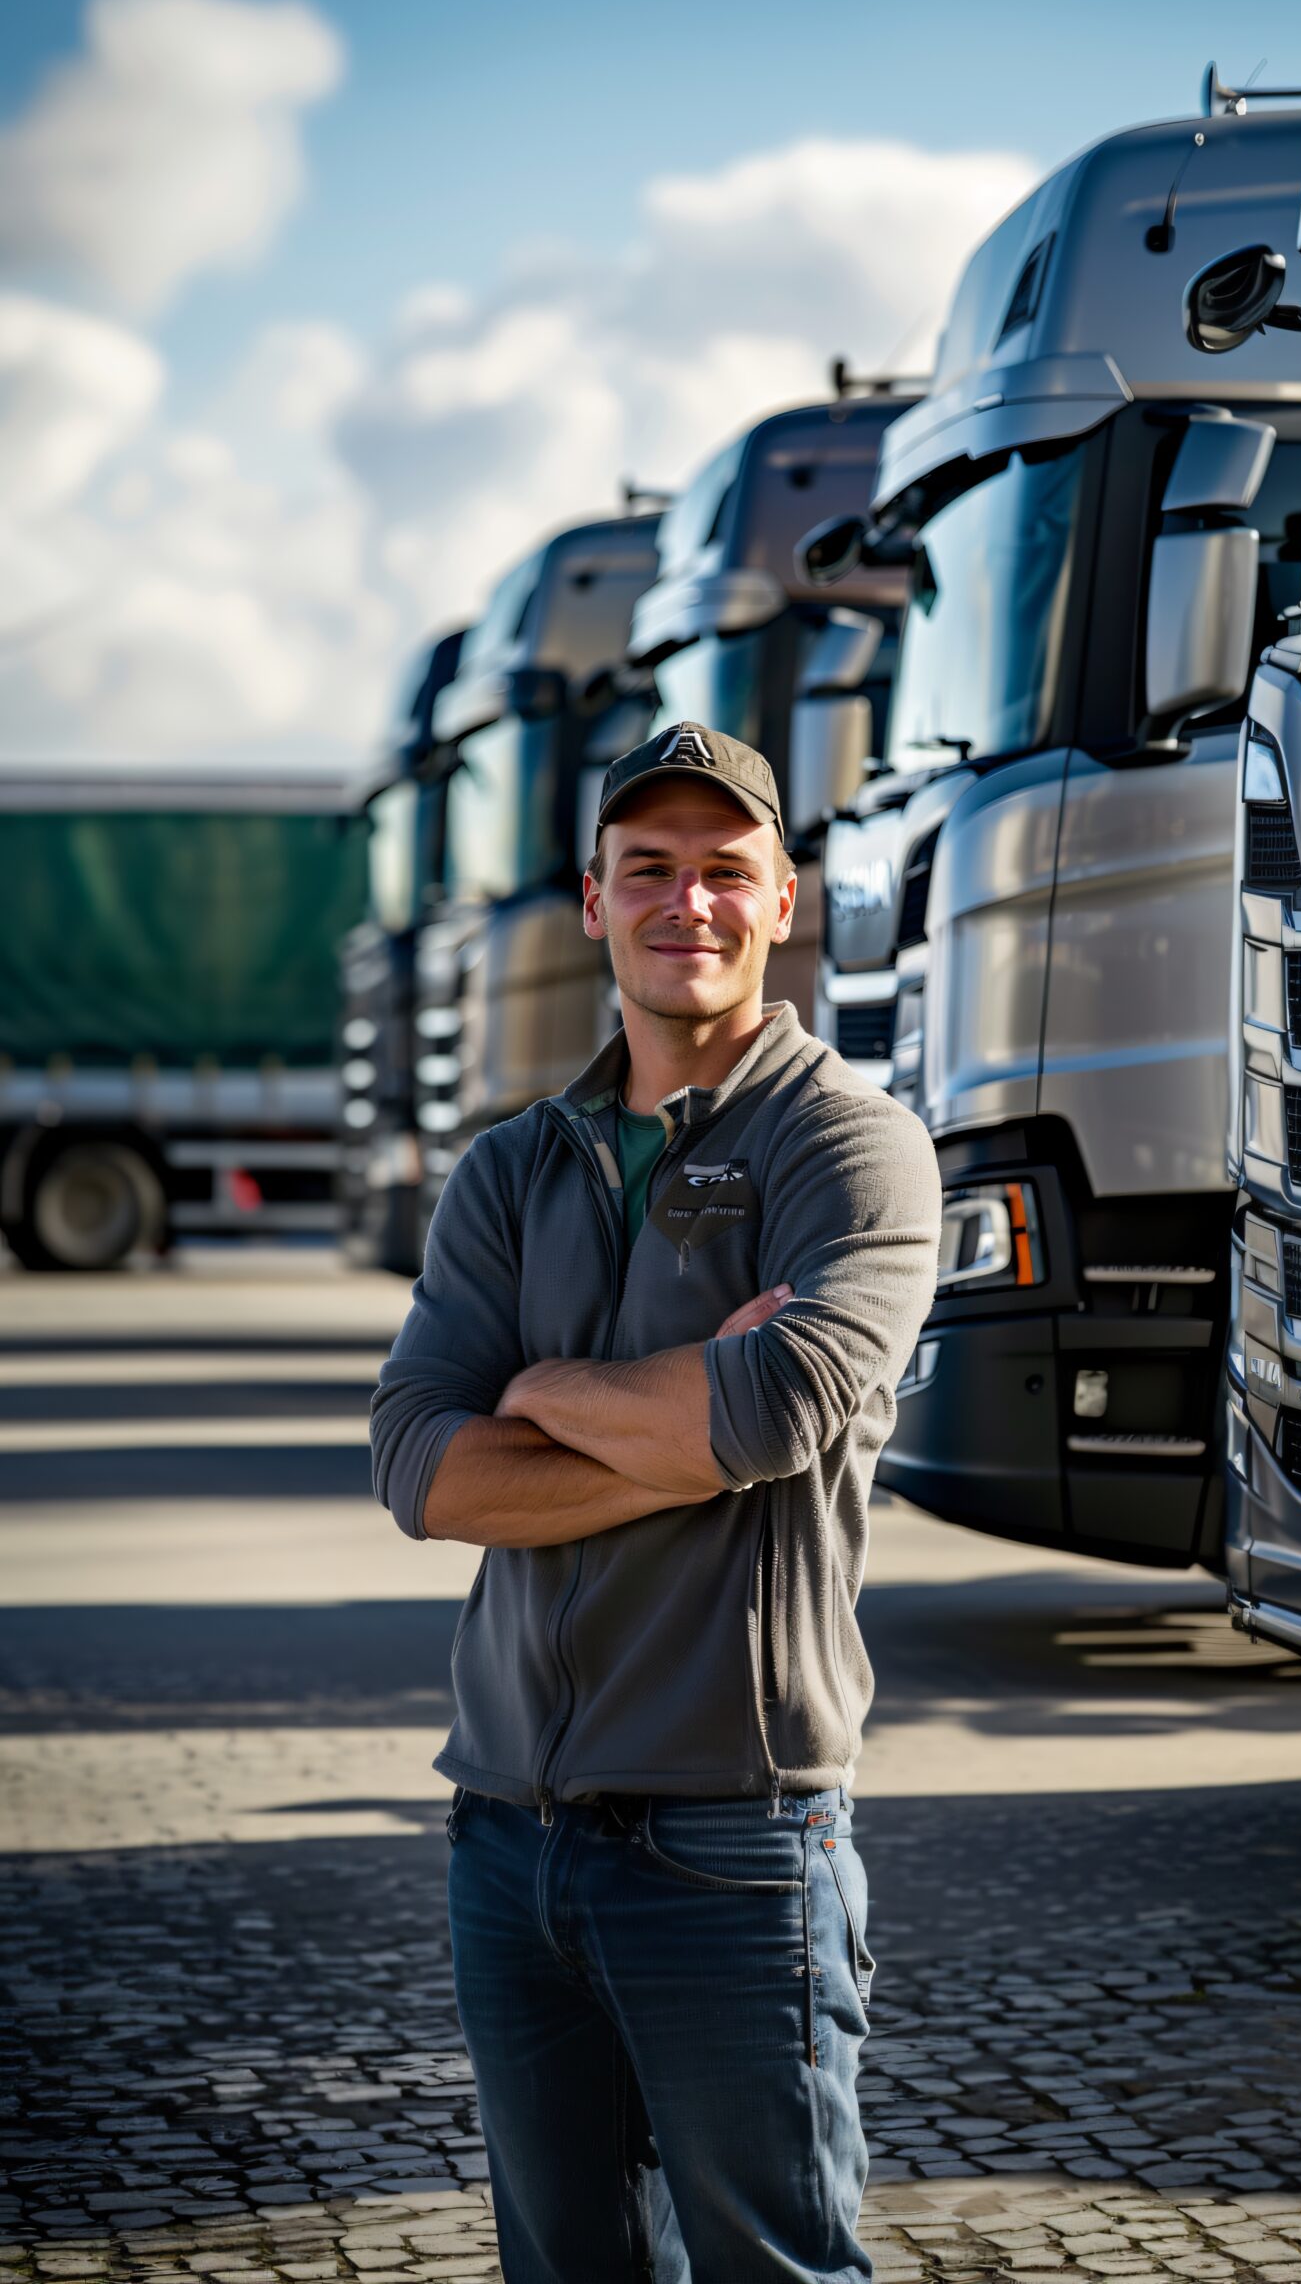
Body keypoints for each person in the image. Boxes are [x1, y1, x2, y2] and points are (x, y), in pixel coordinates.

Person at [371, 721, 941, 2284]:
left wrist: (539, 1391)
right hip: (508, 1837)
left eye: (723, 870)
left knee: (775, 2268)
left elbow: (771, 1412)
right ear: (591, 903)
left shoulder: (852, 1147)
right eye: (649, 871)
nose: (685, 901)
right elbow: (421, 1467)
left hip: (734, 1843)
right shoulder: (510, 1170)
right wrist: (658, 1421)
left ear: (783, 901)